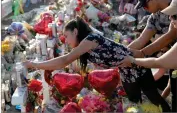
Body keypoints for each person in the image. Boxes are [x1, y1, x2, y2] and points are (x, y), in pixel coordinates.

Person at [23, 16, 171, 112]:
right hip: (127, 71)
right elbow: (65, 60)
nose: (65, 41)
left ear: (75, 31)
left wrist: (35, 64)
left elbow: (64, 60)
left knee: (153, 101)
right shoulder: (86, 45)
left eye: (66, 36)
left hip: (135, 67)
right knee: (137, 104)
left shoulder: (90, 40)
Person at [119, 0, 177, 112]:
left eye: (175, 16)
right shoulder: (154, 18)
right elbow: (141, 40)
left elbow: (160, 62)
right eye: (170, 16)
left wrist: (134, 59)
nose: (171, 20)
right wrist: (123, 53)